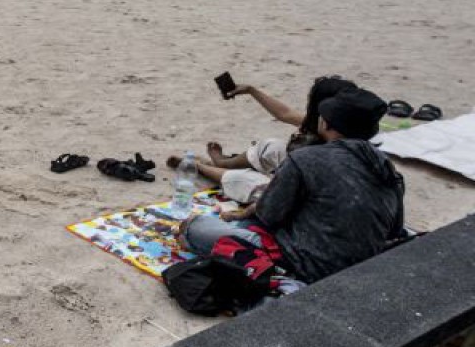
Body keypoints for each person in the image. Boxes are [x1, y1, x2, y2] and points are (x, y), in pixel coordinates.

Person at [180, 88, 403, 284]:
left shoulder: (306, 159)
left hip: (307, 265)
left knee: (194, 227)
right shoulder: (386, 167)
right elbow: (394, 229)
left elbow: (268, 216)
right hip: (362, 266)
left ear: (325, 123)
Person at [171, 76, 359, 207]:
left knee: (247, 181)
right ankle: (223, 163)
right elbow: (284, 113)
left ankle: (200, 167)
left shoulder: (338, 137)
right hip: (301, 173)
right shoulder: (332, 123)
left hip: (309, 193)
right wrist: (251, 90)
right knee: (272, 147)